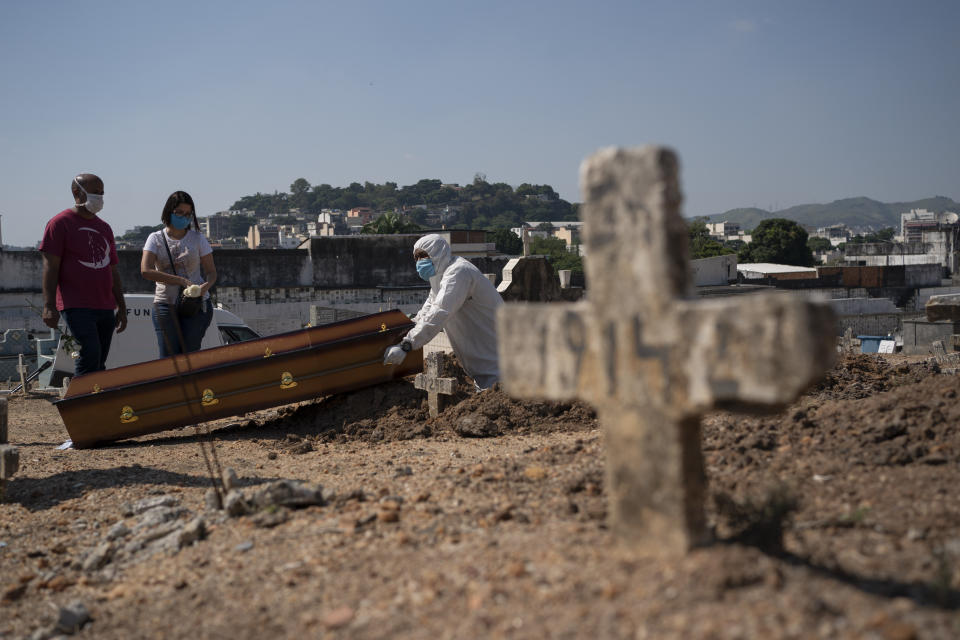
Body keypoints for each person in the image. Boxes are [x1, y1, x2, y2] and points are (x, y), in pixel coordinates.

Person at [383, 234, 503, 389]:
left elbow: (439, 311)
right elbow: (426, 312)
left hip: (499, 363)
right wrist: (405, 327)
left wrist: (407, 345)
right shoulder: (439, 279)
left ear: (438, 253)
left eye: (424, 255)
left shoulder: (459, 273)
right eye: (417, 257)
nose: (420, 261)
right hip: (484, 369)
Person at [40, 173, 127, 376]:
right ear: (76, 192)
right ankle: (82, 403)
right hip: (76, 305)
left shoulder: (104, 228)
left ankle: (95, 401)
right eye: (95, 193)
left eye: (102, 193)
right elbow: (50, 268)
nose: (100, 197)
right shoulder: (60, 223)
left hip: (105, 305)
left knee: (99, 360)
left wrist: (121, 307)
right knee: (89, 355)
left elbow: (112, 270)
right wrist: (49, 306)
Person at [140, 191, 217, 357]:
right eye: (180, 213)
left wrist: (206, 286)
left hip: (195, 303)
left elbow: (211, 273)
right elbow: (146, 270)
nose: (184, 217)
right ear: (169, 212)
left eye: (188, 214)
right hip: (165, 303)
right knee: (169, 357)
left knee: (189, 353)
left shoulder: (198, 238)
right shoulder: (155, 238)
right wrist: (180, 280)